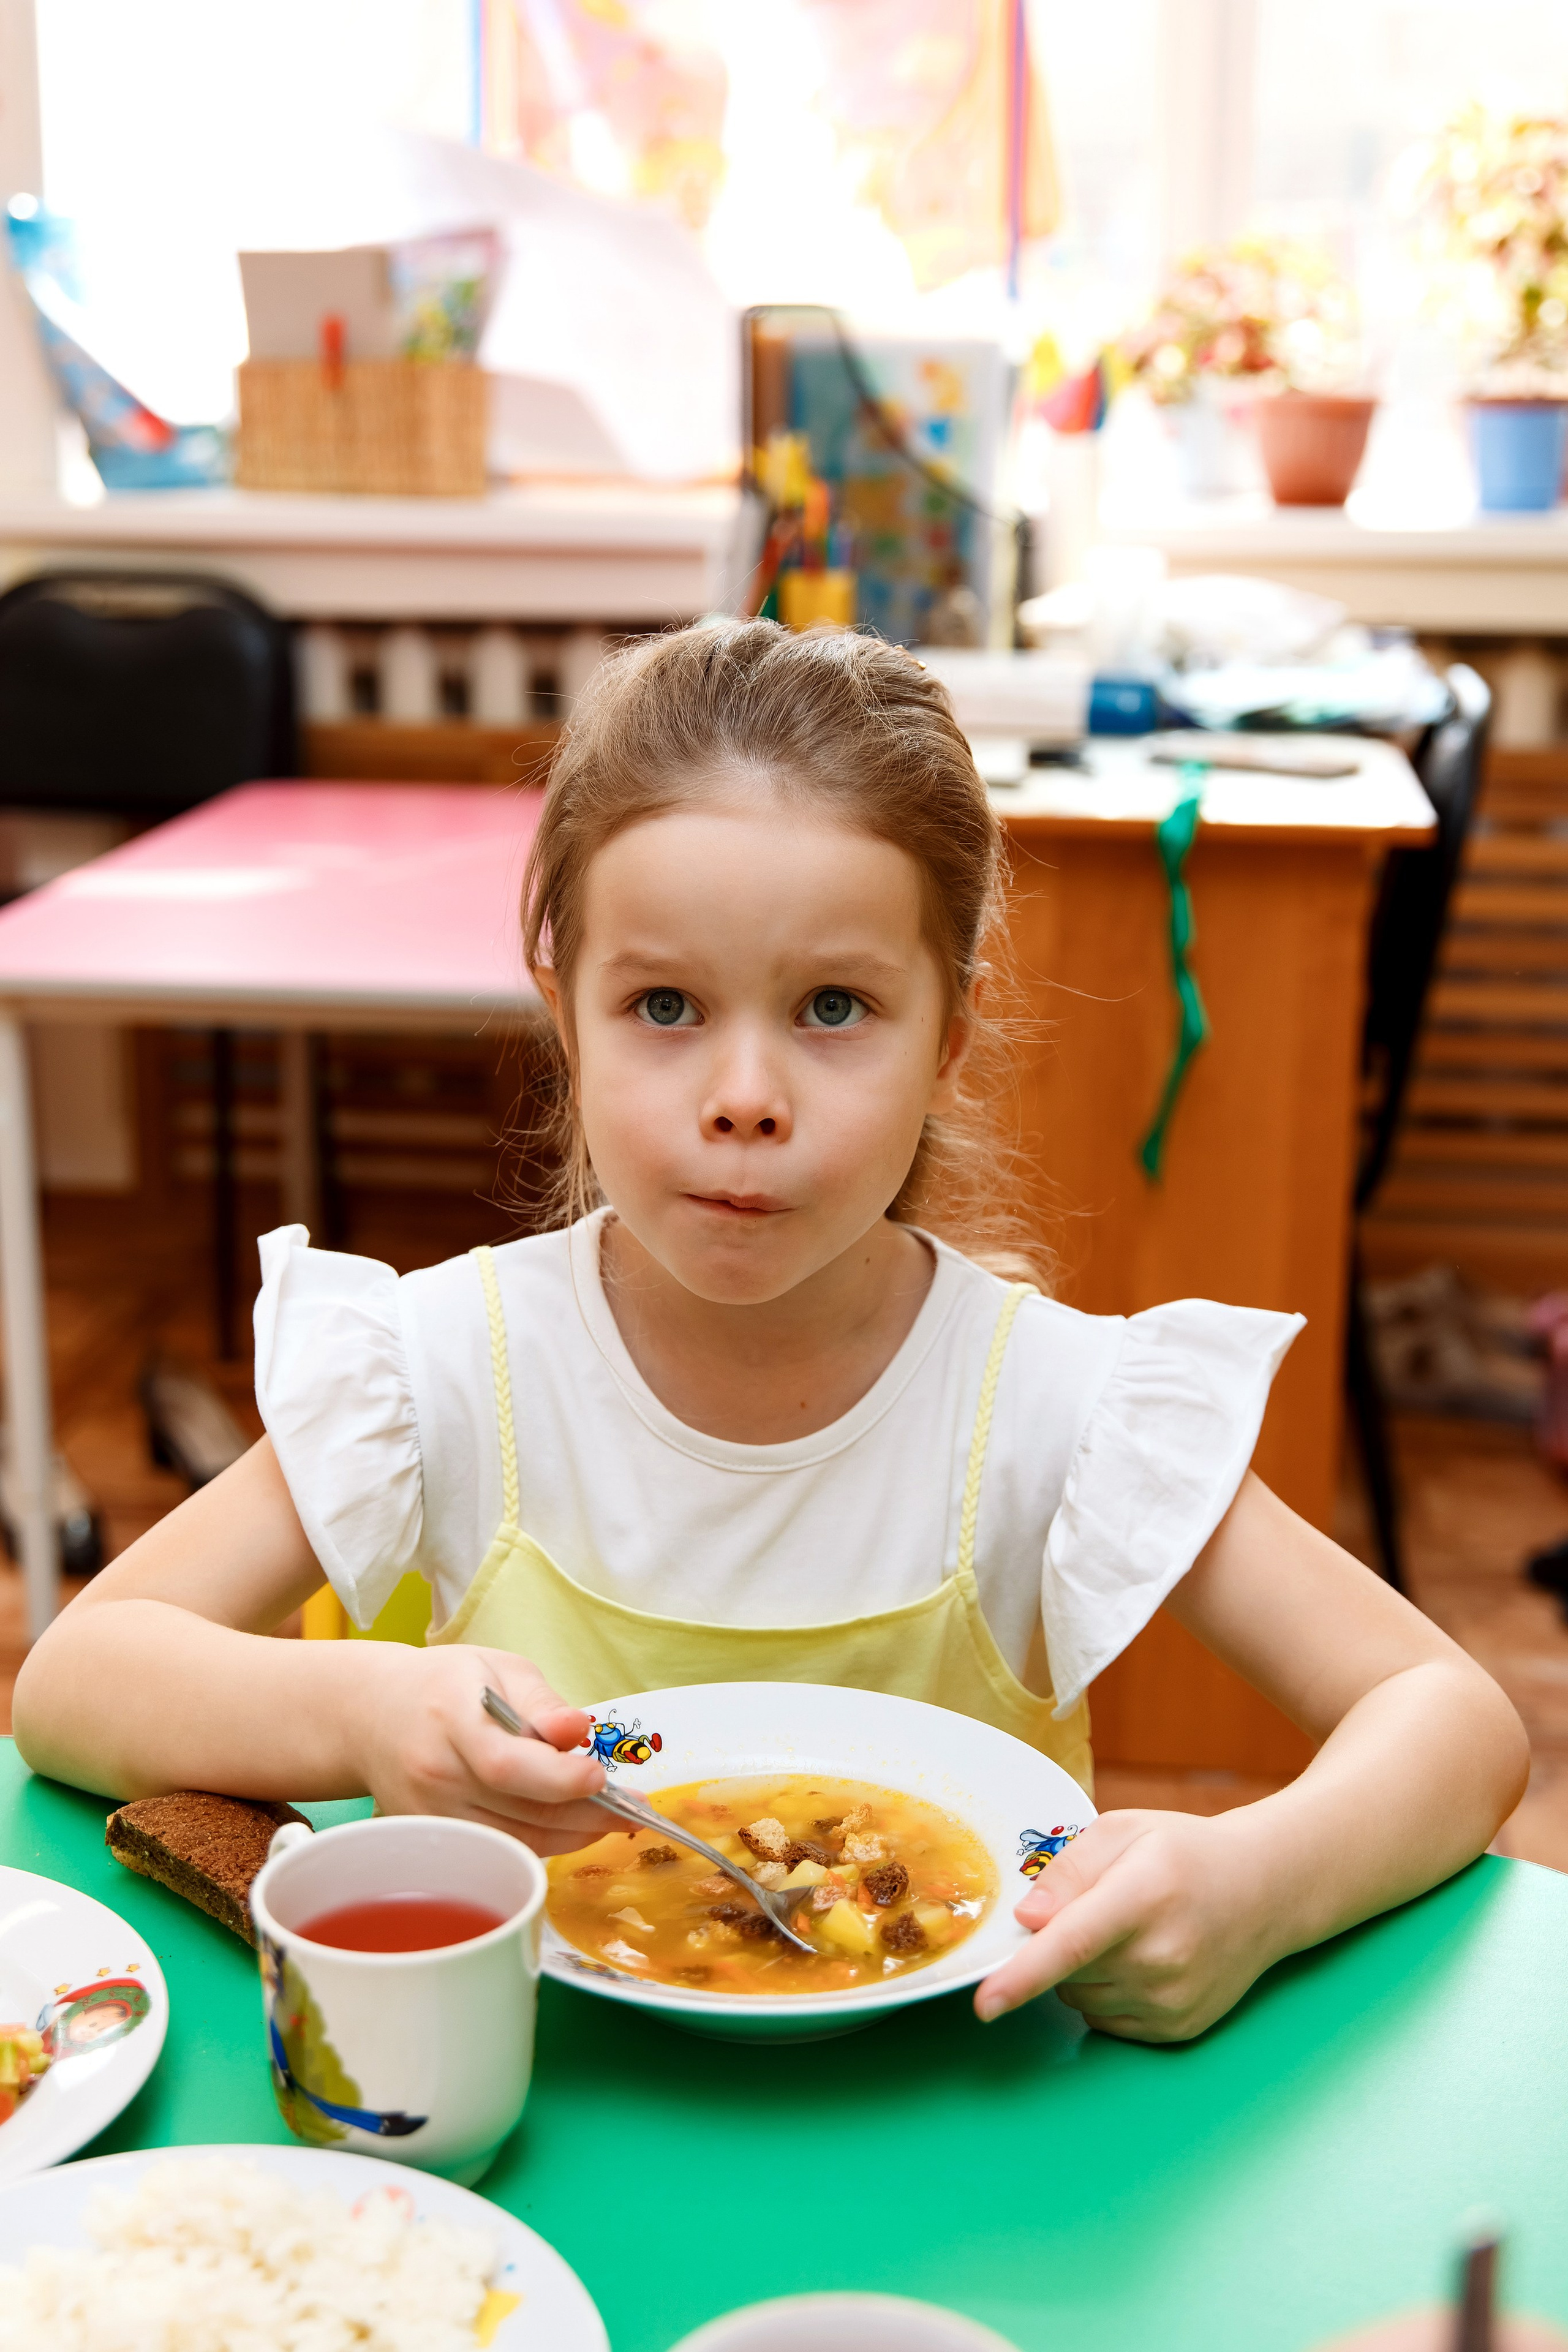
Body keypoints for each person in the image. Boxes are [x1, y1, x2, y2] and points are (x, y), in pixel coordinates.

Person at [14, 620, 1526, 2042]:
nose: (744, 1095)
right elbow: (74, 1687)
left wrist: (1257, 1884)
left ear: (948, 1032)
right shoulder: (440, 1369)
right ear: (565, 1009)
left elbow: (1452, 1724)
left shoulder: (1054, 1409)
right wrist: (363, 1709)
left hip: (961, 2147)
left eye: (831, 1007)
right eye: (664, 1005)